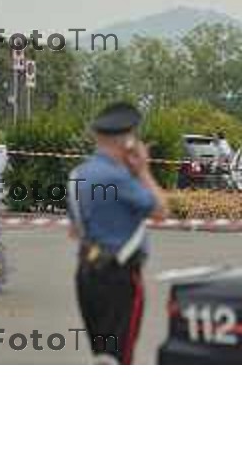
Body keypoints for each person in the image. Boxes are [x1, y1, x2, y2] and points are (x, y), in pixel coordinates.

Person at [67, 102, 168, 365]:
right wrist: (143, 170)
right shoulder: (119, 178)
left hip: (87, 274)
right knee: (120, 359)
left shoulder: (78, 175)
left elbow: (75, 231)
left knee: (103, 357)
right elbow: (160, 210)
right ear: (127, 141)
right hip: (120, 278)